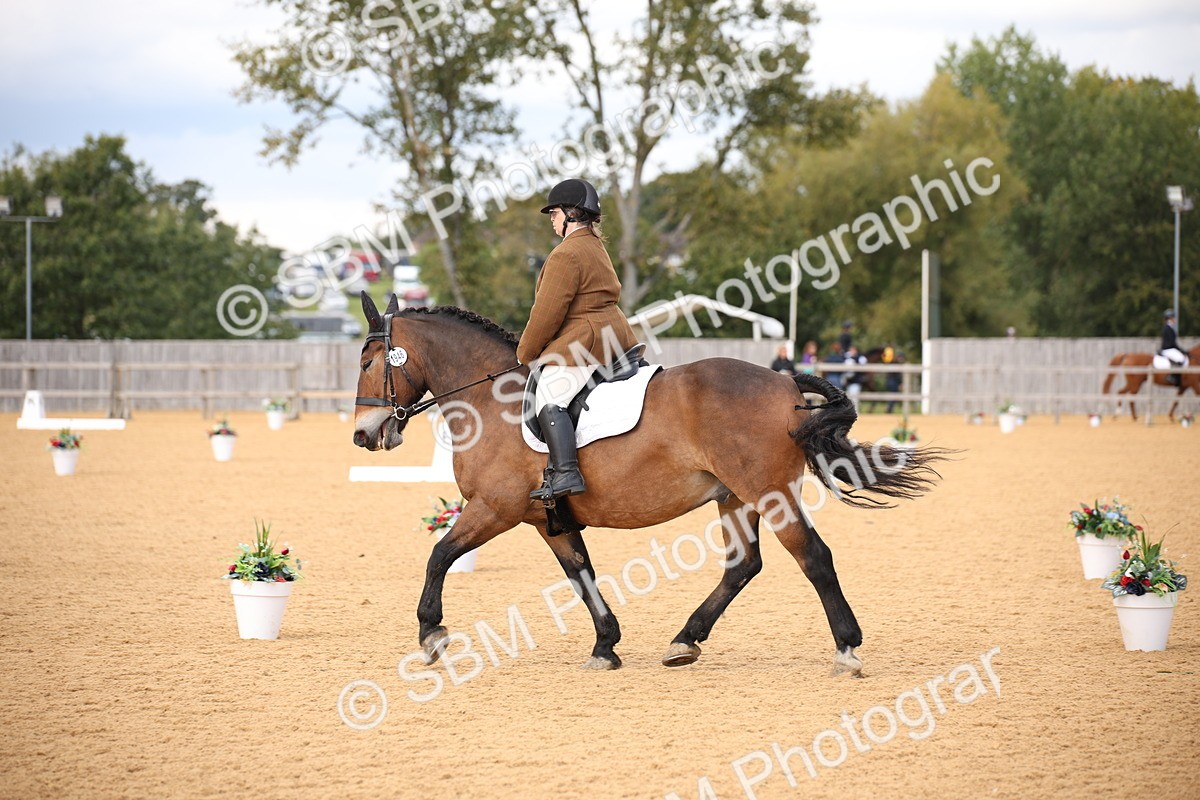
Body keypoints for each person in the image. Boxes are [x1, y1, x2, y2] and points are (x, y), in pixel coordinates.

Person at [516, 178, 639, 501]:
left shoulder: (566, 254)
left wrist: (525, 352)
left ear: (571, 214)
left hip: (587, 341)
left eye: (554, 213)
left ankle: (566, 472)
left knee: (549, 397)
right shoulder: (594, 245)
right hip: (616, 336)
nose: (552, 220)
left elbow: (546, 314)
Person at [1160, 309, 1188, 386]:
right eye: (1174, 317)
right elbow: (1172, 343)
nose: (1175, 319)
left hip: (1170, 349)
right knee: (1181, 359)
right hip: (1168, 349)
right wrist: (1181, 350)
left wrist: (1181, 350)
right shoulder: (1167, 328)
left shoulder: (1170, 328)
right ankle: (1171, 376)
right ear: (1170, 318)